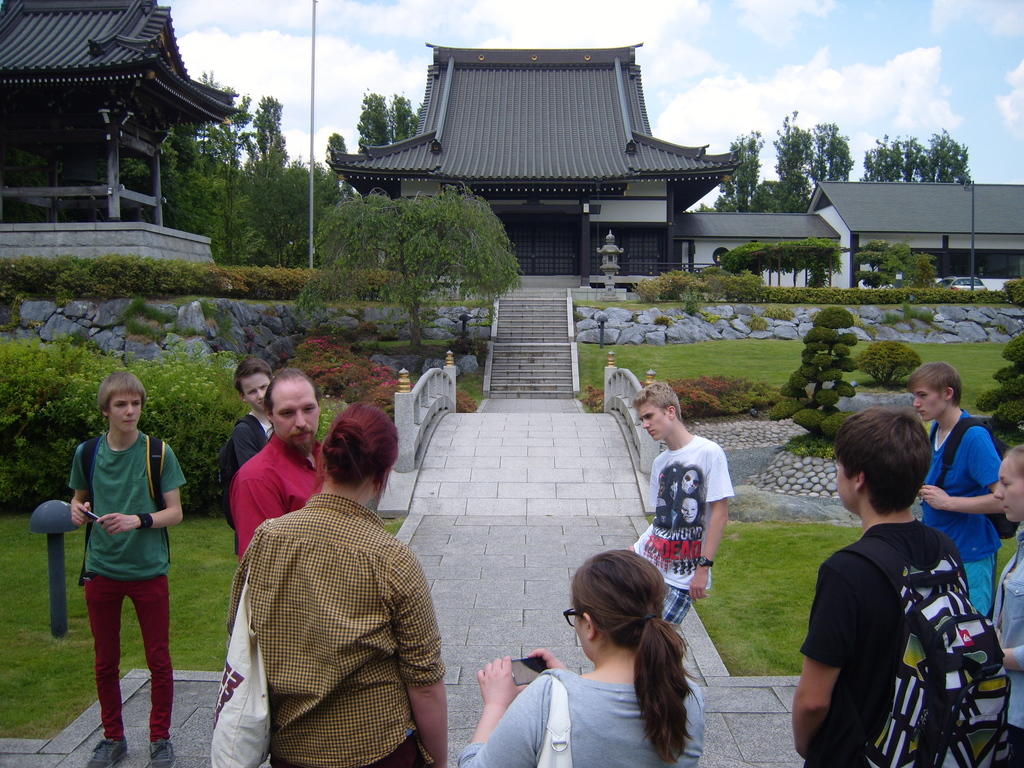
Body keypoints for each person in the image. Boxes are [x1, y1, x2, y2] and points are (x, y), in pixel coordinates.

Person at [228, 404, 447, 768]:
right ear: (384, 473)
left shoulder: (268, 538)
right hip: (376, 749)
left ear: (325, 458)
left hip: (291, 748)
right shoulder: (391, 559)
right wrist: (439, 762)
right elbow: (424, 682)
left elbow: (239, 630)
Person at [792, 407, 960, 765]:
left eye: (839, 466)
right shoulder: (945, 550)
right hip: (927, 744)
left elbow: (813, 700)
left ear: (859, 479)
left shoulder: (847, 571)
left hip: (861, 749)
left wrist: (811, 747)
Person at [458, 550, 704, 767]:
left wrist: (495, 706)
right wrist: (570, 683)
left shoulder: (544, 699)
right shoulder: (686, 694)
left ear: (589, 625)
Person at [69, 371, 186, 768]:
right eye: (121, 404)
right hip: (102, 569)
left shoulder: (159, 453)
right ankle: (112, 737)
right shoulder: (88, 453)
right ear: (106, 410)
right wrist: (78, 511)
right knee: (105, 661)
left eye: (135, 403)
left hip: (148, 570)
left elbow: (175, 512)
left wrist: (138, 519)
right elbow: (78, 500)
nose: (130, 411)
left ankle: (160, 738)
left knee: (159, 659)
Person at [631, 381, 733, 623]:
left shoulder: (708, 452)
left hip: (682, 577)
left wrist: (703, 568)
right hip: (651, 565)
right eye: (642, 419)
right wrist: (636, 547)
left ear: (670, 411)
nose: (645, 425)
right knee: (631, 634)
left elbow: (720, 515)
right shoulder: (660, 463)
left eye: (649, 416)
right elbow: (662, 520)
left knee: (656, 636)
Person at [908, 361, 1003, 615]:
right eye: (915, 396)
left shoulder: (974, 437)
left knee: (973, 628)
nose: (916, 403)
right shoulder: (937, 429)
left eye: (923, 395)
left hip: (970, 555)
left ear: (947, 393)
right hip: (940, 553)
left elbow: (1004, 498)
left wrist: (949, 503)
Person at [229, 368, 322, 556]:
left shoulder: (331, 461)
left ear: (319, 408)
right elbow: (261, 562)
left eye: (308, 409)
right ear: (270, 414)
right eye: (287, 413)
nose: (301, 422)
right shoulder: (256, 479)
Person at [994, 444, 1024, 760]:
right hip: (1011, 709)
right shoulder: (1021, 546)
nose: (998, 493)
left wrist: (994, 655)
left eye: (1006, 483)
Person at [229, 356, 273, 466]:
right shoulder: (243, 432)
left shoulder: (290, 417)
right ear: (243, 396)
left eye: (263, 387)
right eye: (252, 391)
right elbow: (253, 473)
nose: (261, 395)